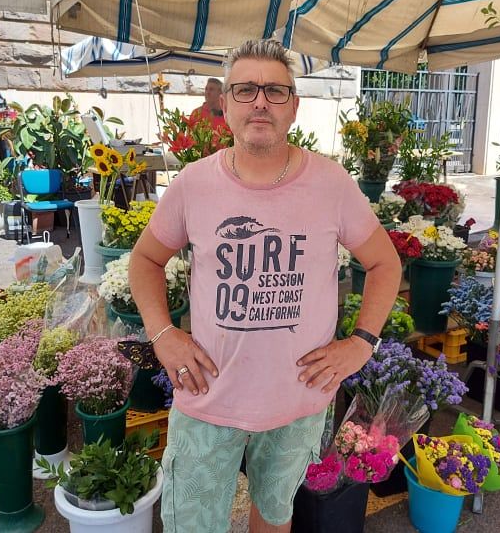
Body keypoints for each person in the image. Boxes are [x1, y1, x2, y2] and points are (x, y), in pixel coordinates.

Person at [129, 39, 401, 532]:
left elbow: (384, 263)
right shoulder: (193, 184)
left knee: (274, 517)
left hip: (299, 400)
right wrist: (163, 335)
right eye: (246, 89)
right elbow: (145, 259)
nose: (260, 101)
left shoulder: (331, 184)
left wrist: (361, 344)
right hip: (208, 395)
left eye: (275, 91)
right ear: (225, 103)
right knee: (192, 524)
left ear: (293, 106)